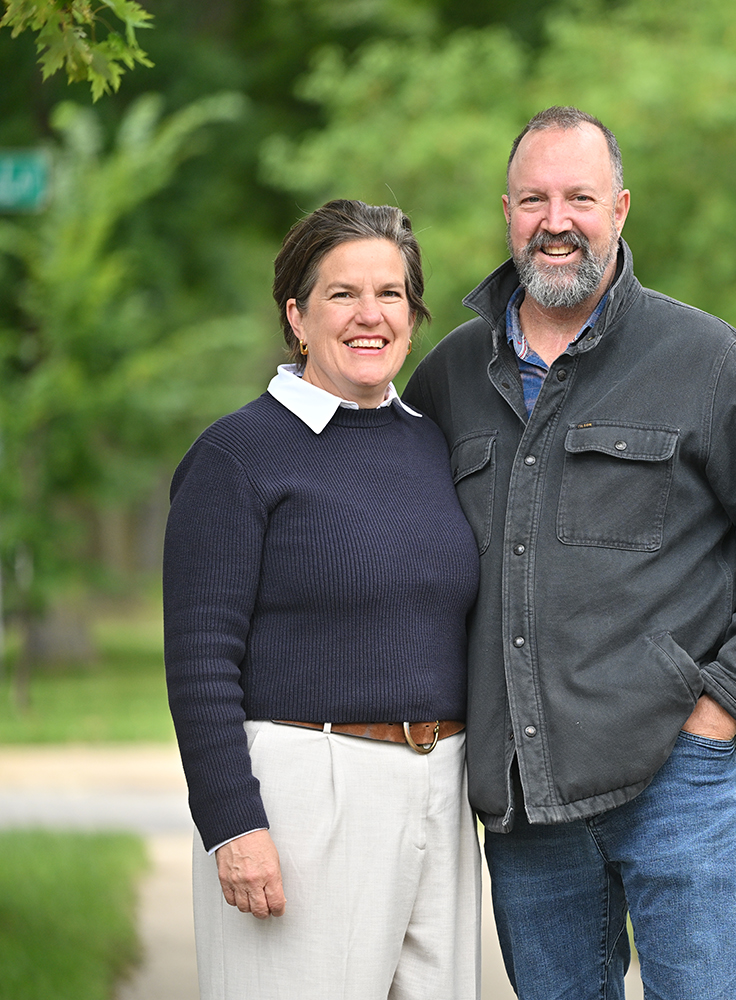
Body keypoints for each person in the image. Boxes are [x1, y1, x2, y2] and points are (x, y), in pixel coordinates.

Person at [402, 106, 736, 1000]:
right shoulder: (450, 375)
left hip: (675, 777)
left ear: (621, 209)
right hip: (525, 799)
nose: (556, 220)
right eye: (535, 199)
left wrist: (722, 714)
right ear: (506, 212)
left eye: (580, 197)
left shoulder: (707, 358)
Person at [163, 199, 482, 999]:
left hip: (441, 785)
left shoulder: (433, 445)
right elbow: (200, 658)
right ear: (297, 315)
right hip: (309, 793)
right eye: (343, 294)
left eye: (391, 294)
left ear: (413, 316)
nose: (369, 315)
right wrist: (233, 823)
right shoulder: (237, 456)